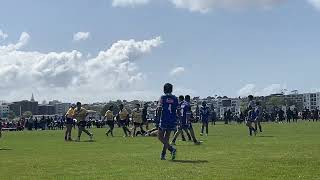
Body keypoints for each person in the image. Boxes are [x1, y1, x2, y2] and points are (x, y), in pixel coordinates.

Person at [157, 83, 178, 160]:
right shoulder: (175, 98)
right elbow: (178, 110)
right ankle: (163, 154)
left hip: (164, 119)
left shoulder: (162, 97)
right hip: (172, 120)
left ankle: (172, 149)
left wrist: (157, 118)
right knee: (166, 138)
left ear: (164, 89)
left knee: (160, 137)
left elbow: (159, 108)